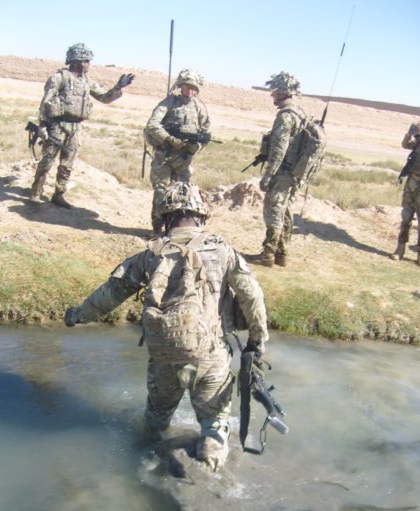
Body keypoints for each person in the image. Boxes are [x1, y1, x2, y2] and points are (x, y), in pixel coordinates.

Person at [64, 182, 269, 472]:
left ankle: (143, 465)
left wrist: (76, 315)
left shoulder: (151, 255)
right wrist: (257, 343)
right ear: (202, 215)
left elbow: (110, 294)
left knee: (156, 420)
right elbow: (252, 297)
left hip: (163, 358)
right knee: (214, 426)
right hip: (211, 356)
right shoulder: (222, 251)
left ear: (164, 217)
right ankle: (209, 474)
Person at [30, 43, 134, 209]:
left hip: (75, 128)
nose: (88, 64)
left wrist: (118, 87)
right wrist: (42, 126)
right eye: (85, 61)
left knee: (67, 164)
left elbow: (105, 97)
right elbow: (45, 103)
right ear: (75, 61)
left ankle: (59, 194)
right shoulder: (59, 78)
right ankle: (36, 193)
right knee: (47, 161)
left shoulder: (86, 82)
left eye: (88, 61)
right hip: (57, 126)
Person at [144, 69, 210, 234]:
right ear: (180, 87)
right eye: (187, 87)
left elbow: (206, 133)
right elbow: (152, 125)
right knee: (161, 192)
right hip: (165, 157)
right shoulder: (168, 103)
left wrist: (197, 147)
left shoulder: (199, 108)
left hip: (184, 159)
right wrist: (169, 139)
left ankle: (176, 228)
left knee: (182, 194)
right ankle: (157, 229)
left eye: (193, 88)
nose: (190, 91)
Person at [258, 71, 307, 267]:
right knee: (285, 211)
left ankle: (268, 255)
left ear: (285, 92)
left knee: (274, 212)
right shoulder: (300, 113)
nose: (273, 96)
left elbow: (279, 148)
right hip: (295, 173)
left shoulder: (286, 116)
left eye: (275, 92)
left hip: (283, 172)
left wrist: (268, 175)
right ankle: (282, 254)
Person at [390, 122, 420, 266]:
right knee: (406, 216)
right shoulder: (418, 142)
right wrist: (410, 133)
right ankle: (399, 250)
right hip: (412, 182)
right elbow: (405, 144)